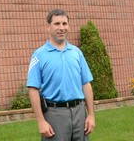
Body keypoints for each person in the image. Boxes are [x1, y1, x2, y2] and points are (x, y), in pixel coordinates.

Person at [26, 9, 95, 141]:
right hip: (54, 115)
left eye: (64, 23)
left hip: (80, 112)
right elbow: (33, 89)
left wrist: (91, 115)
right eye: (57, 24)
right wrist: (41, 121)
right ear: (48, 26)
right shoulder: (39, 55)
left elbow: (86, 83)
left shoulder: (77, 53)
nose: (61, 28)